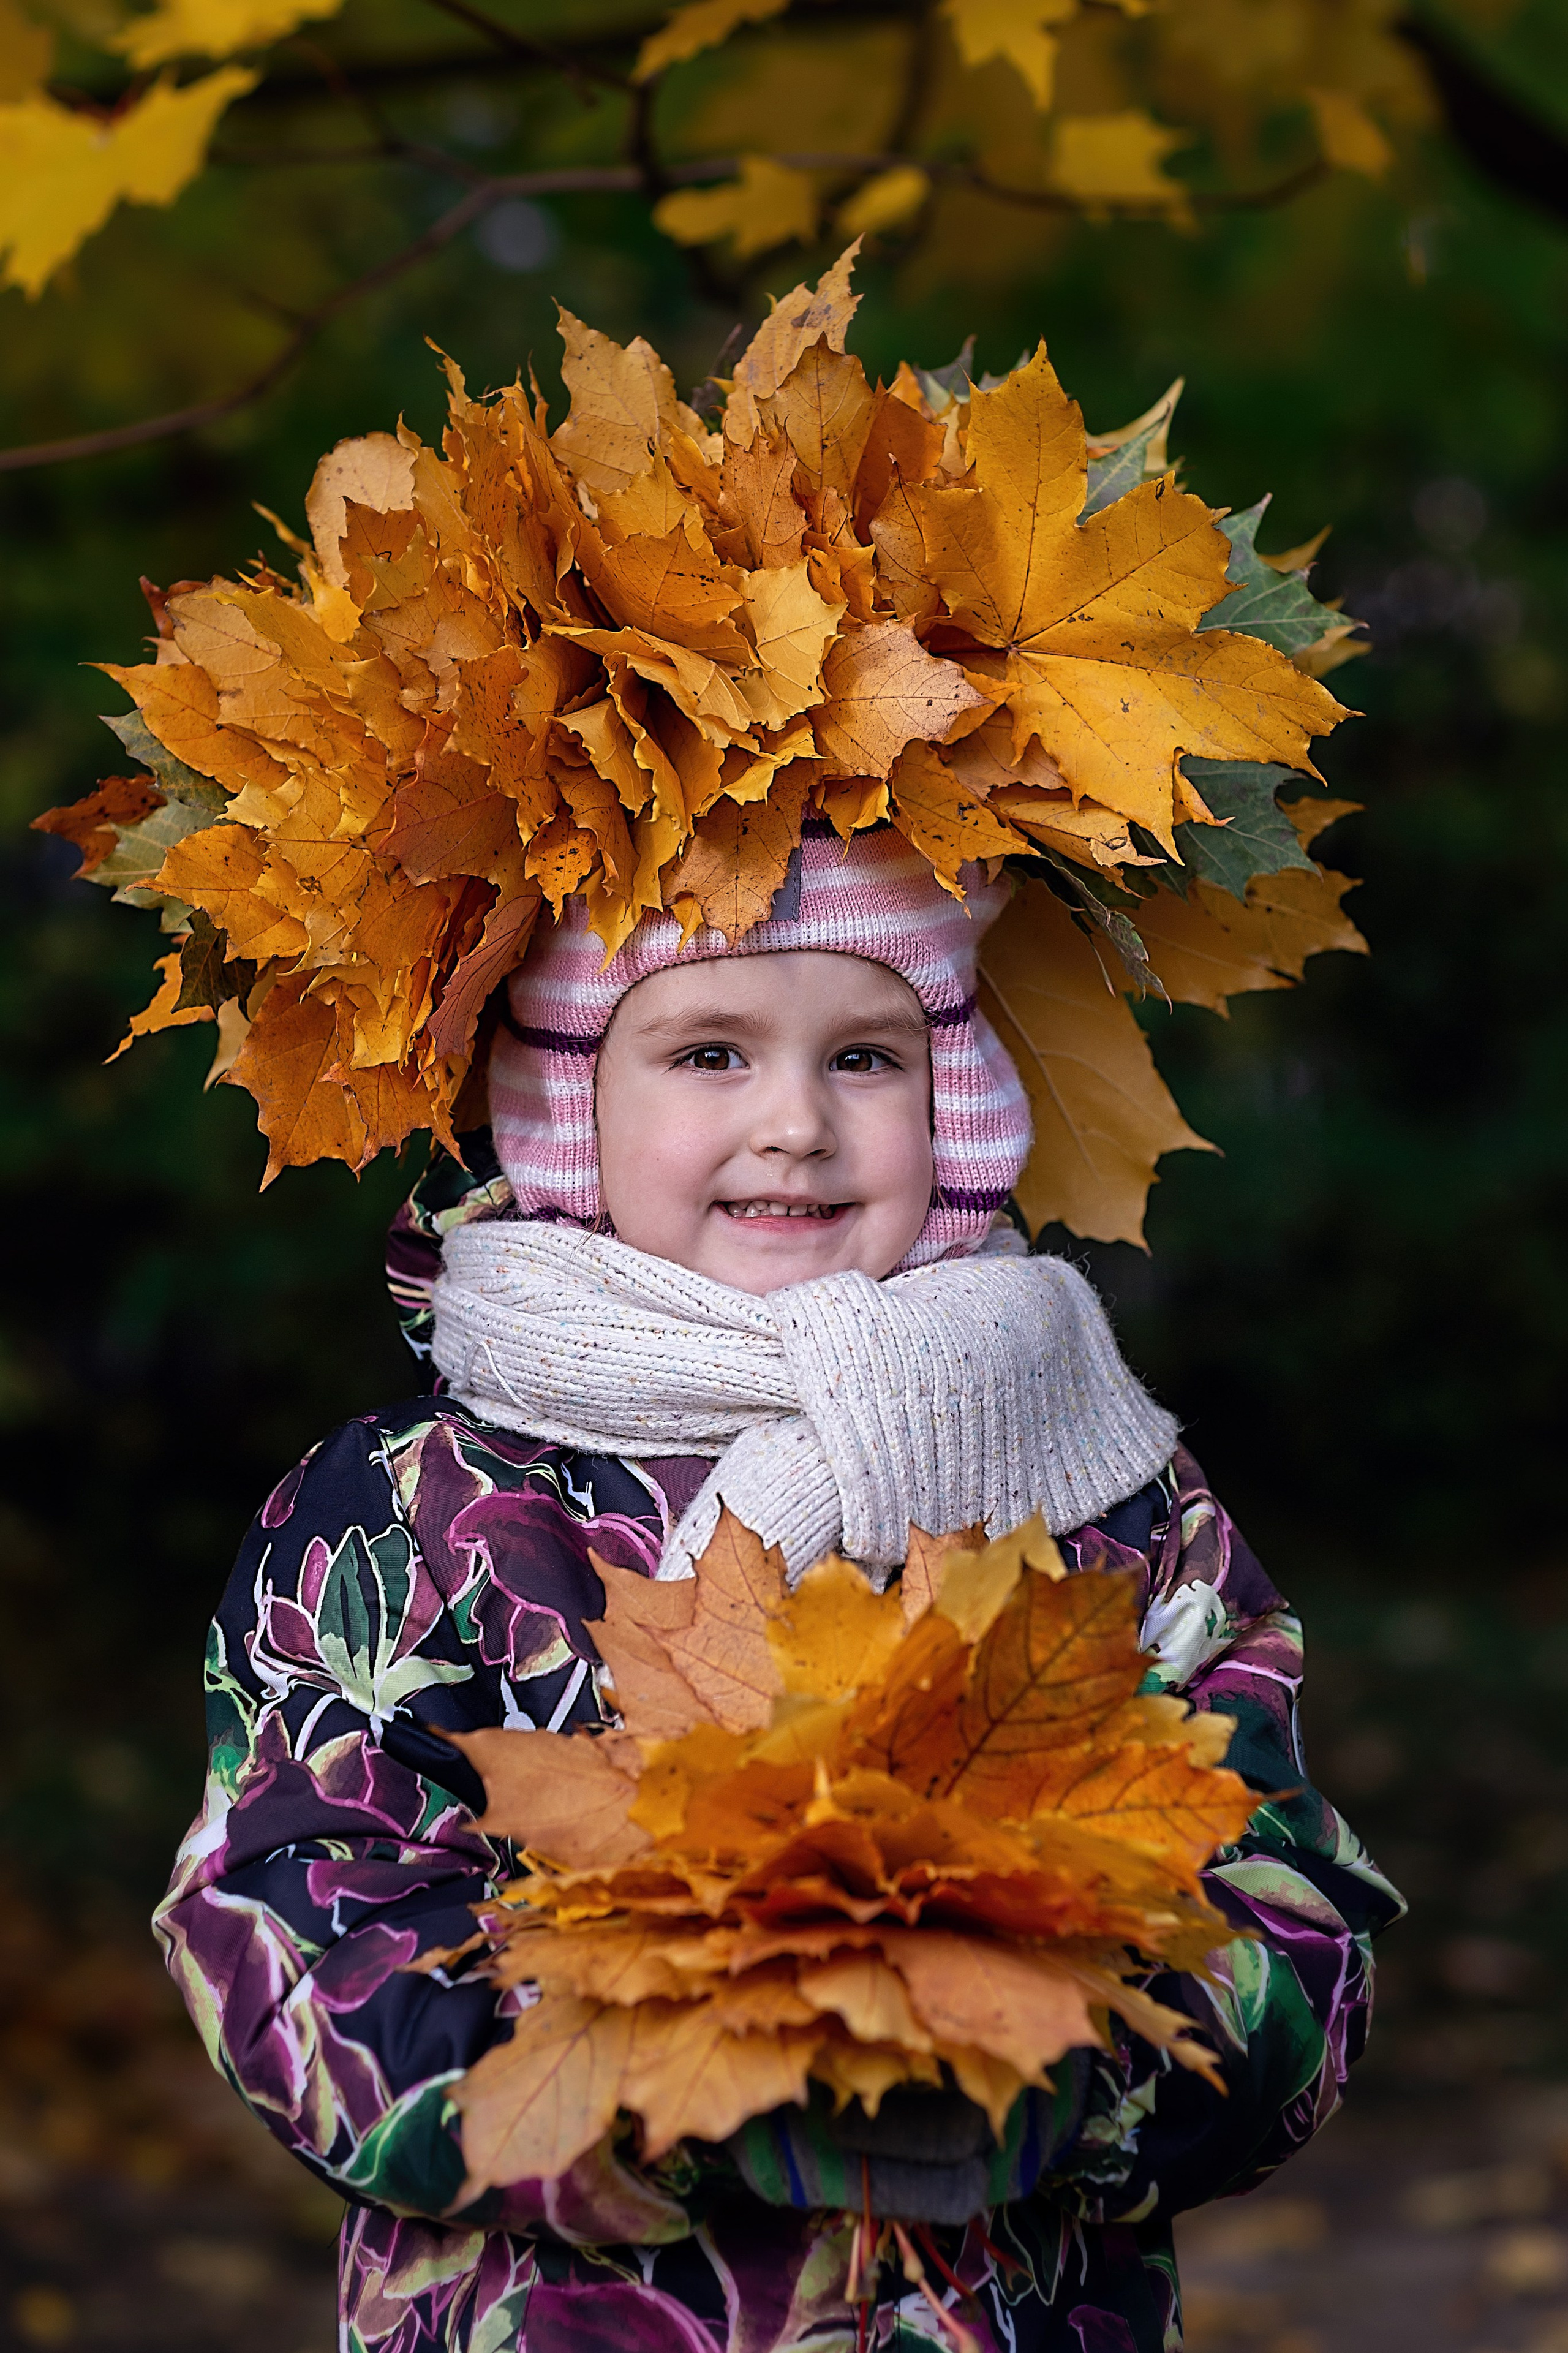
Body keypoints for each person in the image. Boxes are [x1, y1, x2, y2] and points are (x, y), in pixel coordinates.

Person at [156, 820, 1403, 2353]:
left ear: (957, 1096)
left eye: (867, 1057)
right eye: (708, 1054)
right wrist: (652, 2085)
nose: (797, 1123)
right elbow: (282, 1912)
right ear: (565, 1109)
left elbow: (1281, 1896)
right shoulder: (416, 1512)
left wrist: (1063, 2079)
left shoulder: (1093, 1486)